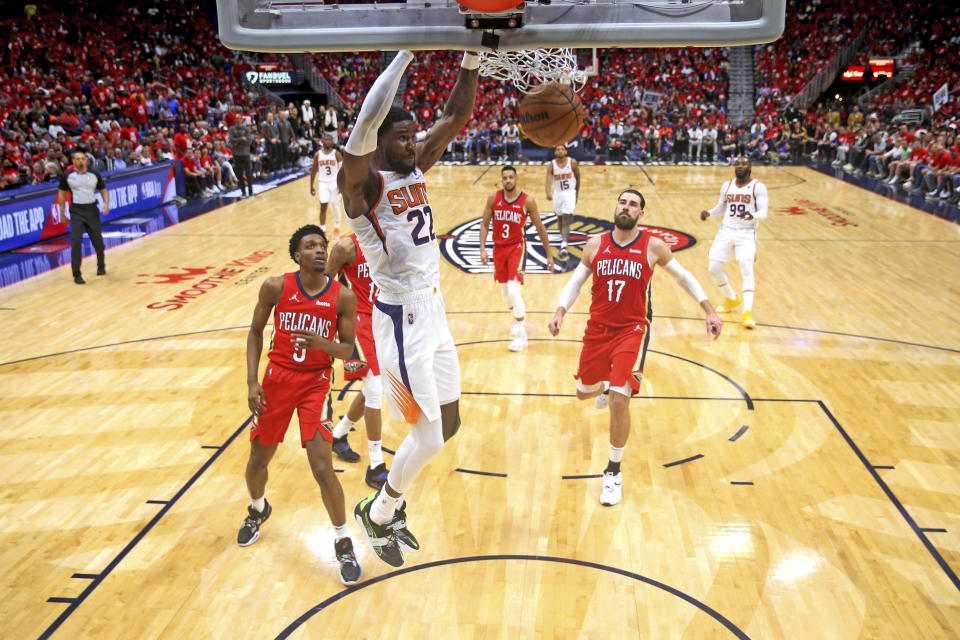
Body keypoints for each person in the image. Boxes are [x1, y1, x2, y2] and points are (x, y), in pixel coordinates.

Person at [338, 50, 478, 567]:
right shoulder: (361, 186)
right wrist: (406, 52)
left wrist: (473, 56)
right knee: (432, 440)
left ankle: (386, 505)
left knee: (451, 421)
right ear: (378, 143)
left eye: (414, 135)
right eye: (402, 136)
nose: (413, 141)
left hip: (434, 311)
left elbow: (456, 115)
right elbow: (368, 118)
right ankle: (379, 512)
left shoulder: (415, 166)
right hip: (399, 321)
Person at [548, 189, 722, 506]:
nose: (626, 207)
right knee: (583, 392)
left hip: (632, 330)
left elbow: (684, 278)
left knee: (619, 400)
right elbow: (575, 283)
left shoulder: (653, 246)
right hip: (598, 330)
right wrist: (560, 311)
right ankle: (601, 386)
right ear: (616, 207)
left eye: (634, 204)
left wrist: (709, 310)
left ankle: (613, 471)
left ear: (641, 213)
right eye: (623, 202)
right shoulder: (595, 244)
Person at [238, 224, 361, 587]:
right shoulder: (275, 286)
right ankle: (258, 509)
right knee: (258, 460)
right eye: (311, 246)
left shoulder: (342, 296)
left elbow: (348, 350)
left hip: (315, 385)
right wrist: (251, 380)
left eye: (323, 246)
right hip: (277, 381)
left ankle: (342, 540)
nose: (321, 251)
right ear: (297, 256)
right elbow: (255, 332)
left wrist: (323, 343)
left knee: (322, 467)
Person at [324, 233, 393, 493]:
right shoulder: (346, 247)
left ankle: (339, 434)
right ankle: (376, 466)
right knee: (375, 387)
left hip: (384, 318)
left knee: (376, 387)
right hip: (357, 321)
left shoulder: (391, 237)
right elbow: (326, 285)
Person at [479, 165, 555, 352]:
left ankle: (522, 334)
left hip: (517, 248)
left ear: (516, 178)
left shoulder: (527, 201)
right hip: (498, 249)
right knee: (505, 293)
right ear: (502, 179)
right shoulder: (493, 198)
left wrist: (549, 254)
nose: (508, 181)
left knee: (513, 290)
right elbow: (485, 224)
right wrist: (482, 248)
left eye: (511, 177)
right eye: (505, 178)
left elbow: (540, 228)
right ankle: (516, 318)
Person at [698, 156, 769, 329]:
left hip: (746, 233)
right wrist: (709, 213)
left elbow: (764, 212)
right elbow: (721, 207)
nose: (739, 166)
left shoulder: (758, 187)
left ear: (750, 166)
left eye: (743, 163)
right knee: (714, 268)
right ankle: (731, 298)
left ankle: (747, 312)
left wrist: (753, 216)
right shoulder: (727, 185)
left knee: (746, 268)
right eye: (737, 163)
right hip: (726, 231)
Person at [57, 150, 109, 284]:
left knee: (97, 241)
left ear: (86, 160)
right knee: (75, 242)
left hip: (92, 210)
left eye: (82, 159)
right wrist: (62, 213)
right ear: (73, 161)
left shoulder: (94, 174)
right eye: (77, 159)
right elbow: (62, 195)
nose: (80, 161)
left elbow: (103, 190)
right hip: (76, 211)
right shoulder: (67, 176)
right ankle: (77, 274)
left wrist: (106, 204)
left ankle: (101, 265)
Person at [545, 145, 580, 260]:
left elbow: (578, 178)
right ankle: (563, 239)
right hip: (558, 194)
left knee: (566, 218)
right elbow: (548, 180)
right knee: (559, 218)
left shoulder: (572, 162)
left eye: (562, 149)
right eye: (558, 149)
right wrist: (548, 192)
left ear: (566, 151)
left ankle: (564, 244)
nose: (560, 151)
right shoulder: (552, 165)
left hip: (569, 193)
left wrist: (577, 194)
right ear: (555, 152)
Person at [310, 134, 343, 237]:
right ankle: (323, 229)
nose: (328, 142)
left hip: (334, 182)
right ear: (322, 141)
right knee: (323, 206)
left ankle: (337, 227)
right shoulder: (318, 154)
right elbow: (314, 170)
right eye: (326, 140)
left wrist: (342, 185)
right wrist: (311, 185)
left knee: (335, 206)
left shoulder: (336, 154)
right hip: (323, 183)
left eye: (330, 140)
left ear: (332, 142)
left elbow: (343, 171)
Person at [227, 114, 254, 198]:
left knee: (249, 173)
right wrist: (241, 139)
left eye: (239, 118)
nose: (238, 120)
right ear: (235, 120)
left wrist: (237, 142)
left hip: (246, 154)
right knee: (239, 174)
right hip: (237, 154)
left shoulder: (246, 129)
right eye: (236, 119)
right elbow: (231, 140)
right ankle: (243, 192)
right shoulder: (232, 129)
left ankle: (250, 192)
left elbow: (249, 141)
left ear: (242, 120)